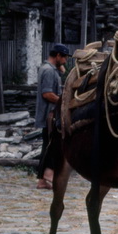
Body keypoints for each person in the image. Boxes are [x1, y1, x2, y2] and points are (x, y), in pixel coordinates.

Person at [35, 43, 70, 189]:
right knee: (51, 146)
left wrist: (61, 69)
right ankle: (47, 177)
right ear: (57, 56)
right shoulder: (49, 71)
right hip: (49, 115)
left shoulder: (49, 68)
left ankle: (42, 180)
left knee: (47, 145)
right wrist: (64, 101)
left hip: (49, 114)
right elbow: (47, 94)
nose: (66, 61)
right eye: (64, 58)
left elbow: (61, 72)